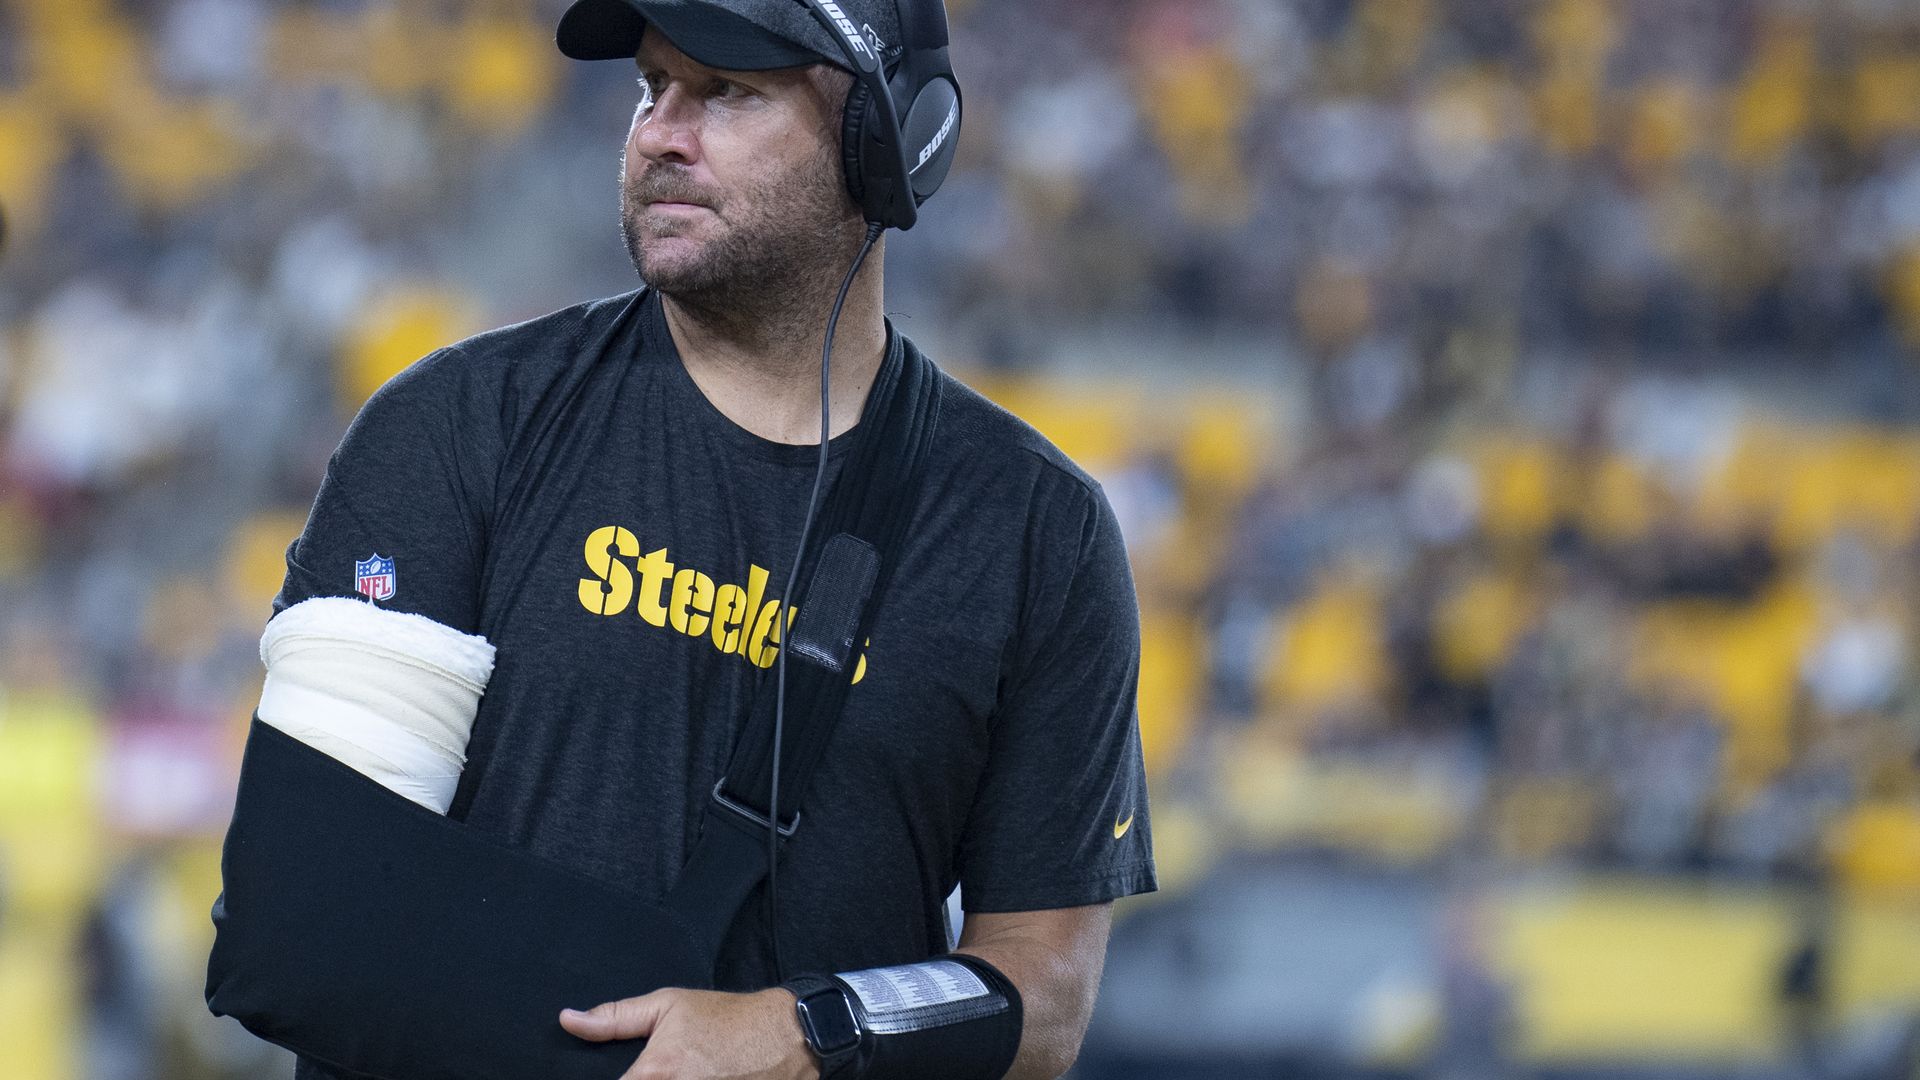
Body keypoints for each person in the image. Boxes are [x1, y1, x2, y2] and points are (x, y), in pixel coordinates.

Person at [270, 0, 1155, 1077]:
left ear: (887, 143)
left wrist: (801, 1031)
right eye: (652, 86)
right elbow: (304, 918)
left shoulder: (1035, 531)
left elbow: (1045, 993)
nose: (658, 132)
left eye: (729, 91)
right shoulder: (458, 426)